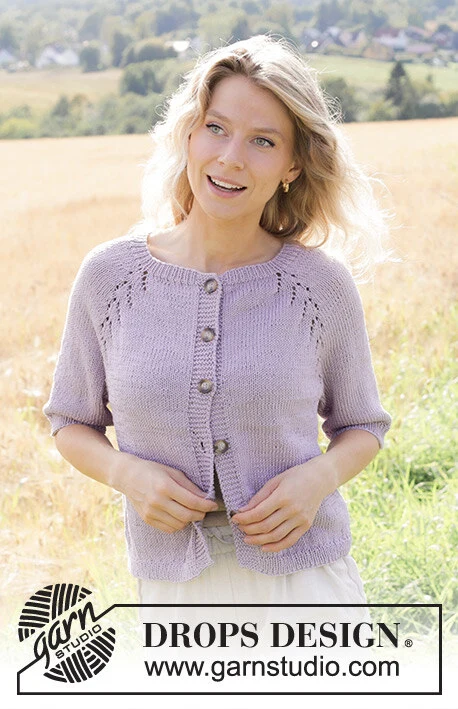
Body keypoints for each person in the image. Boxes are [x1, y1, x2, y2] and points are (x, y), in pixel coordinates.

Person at [43, 35, 391, 621]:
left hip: (306, 585)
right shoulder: (111, 278)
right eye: (216, 128)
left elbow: (363, 425)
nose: (231, 157)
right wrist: (126, 474)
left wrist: (318, 480)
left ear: (293, 165)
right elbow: (70, 421)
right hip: (177, 594)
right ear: (189, 134)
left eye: (263, 141)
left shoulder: (318, 286)